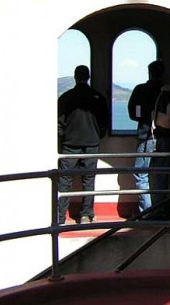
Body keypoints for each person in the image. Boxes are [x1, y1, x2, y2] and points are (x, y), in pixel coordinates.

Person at [57, 65, 109, 224]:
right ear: (88, 77)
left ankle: (60, 217)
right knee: (89, 180)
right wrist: (96, 136)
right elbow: (103, 123)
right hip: (91, 144)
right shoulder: (98, 98)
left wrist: (64, 136)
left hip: (70, 145)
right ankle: (86, 215)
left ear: (75, 77)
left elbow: (59, 122)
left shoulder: (66, 97)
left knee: (65, 180)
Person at [128, 60, 170, 217]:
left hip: (146, 136)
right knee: (161, 174)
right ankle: (160, 210)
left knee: (141, 173)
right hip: (166, 136)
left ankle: (147, 212)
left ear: (149, 72)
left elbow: (132, 113)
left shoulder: (141, 90)